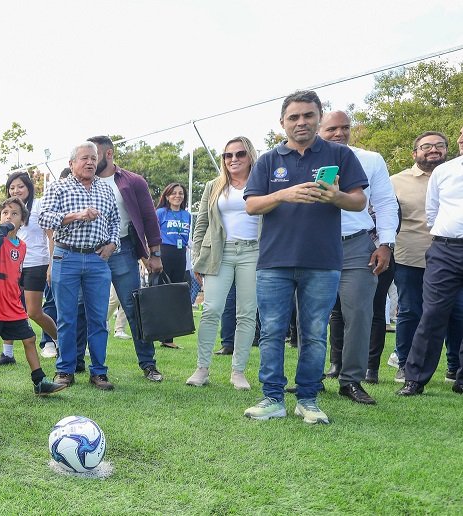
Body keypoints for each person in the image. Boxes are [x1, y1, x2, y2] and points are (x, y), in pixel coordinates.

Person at [242, 90, 368, 424]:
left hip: (323, 260)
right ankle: (272, 398)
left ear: (319, 117)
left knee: (314, 333)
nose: (301, 122)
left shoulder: (339, 155)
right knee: (271, 331)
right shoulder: (269, 160)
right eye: (294, 117)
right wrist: (284, 193)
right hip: (274, 262)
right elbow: (251, 205)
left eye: (308, 116)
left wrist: (335, 195)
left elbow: (359, 202)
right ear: (282, 122)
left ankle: (308, 399)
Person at [318, 111, 397, 403]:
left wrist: (386, 243)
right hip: (315, 244)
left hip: (357, 245)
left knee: (360, 314)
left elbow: (386, 202)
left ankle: (351, 381)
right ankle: (311, 378)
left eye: (345, 127)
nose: (339, 133)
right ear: (318, 129)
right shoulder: (305, 158)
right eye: (331, 129)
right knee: (311, 315)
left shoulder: (371, 159)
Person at [39, 142, 120, 391]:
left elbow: (115, 221)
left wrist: (112, 245)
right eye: (84, 158)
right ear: (72, 163)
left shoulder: (106, 191)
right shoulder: (59, 187)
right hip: (66, 256)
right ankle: (65, 369)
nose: (90, 163)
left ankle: (99, 372)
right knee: (66, 318)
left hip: (97, 260)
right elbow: (43, 217)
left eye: (93, 159)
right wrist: (76, 215)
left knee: (98, 319)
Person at [87, 136, 166, 382]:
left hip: (122, 251)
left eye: (94, 154)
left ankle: (148, 364)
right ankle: (78, 363)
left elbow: (149, 218)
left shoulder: (132, 182)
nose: (90, 160)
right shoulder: (81, 180)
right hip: (88, 253)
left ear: (108, 154)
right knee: (87, 310)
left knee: (133, 308)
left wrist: (154, 254)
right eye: (86, 155)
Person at [0, 197, 68, 396]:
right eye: (5, 213)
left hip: (14, 304)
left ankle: (39, 382)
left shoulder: (22, 246)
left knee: (30, 338)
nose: (9, 216)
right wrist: (3, 230)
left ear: (23, 220)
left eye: (14, 213)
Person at [187, 136, 261, 390]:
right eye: (228, 155)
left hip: (254, 252)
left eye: (240, 154)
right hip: (220, 253)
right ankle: (202, 368)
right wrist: (197, 258)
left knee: (246, 313)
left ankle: (238, 372)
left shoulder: (263, 183)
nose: (233, 159)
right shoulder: (214, 186)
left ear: (250, 155)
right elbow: (202, 224)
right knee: (211, 309)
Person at [390, 131, 462, 384]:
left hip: (446, 252)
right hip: (419, 253)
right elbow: (430, 214)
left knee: (458, 313)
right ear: (415, 152)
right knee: (417, 312)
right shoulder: (399, 180)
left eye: (439, 145)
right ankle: (409, 369)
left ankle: (455, 369)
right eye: (426, 146)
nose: (434, 150)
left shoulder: (448, 172)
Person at [0, 171, 58, 366]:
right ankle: (7, 353)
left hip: (36, 263)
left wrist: (51, 265)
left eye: (20, 186)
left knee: (33, 311)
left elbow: (50, 236)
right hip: (12, 265)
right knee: (8, 308)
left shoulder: (38, 206)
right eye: (12, 187)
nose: (16, 190)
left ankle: (60, 342)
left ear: (29, 187)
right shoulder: (8, 209)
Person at [154, 182, 192, 349]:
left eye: (181, 193)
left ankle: (168, 339)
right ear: (167, 196)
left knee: (175, 296)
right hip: (164, 253)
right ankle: (154, 333)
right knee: (161, 295)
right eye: (174, 193)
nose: (177, 196)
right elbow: (153, 236)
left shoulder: (187, 215)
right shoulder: (161, 213)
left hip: (180, 254)